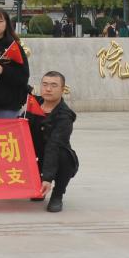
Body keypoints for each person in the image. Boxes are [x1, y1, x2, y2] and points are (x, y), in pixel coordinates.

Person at [28, 71, 79, 212]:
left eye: (53, 85)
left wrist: (47, 178)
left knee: (65, 157)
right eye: (45, 85)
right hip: (36, 154)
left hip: (56, 156)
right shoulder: (34, 103)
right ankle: (37, 186)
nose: (48, 89)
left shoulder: (65, 116)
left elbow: (54, 145)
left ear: (62, 90)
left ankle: (57, 195)